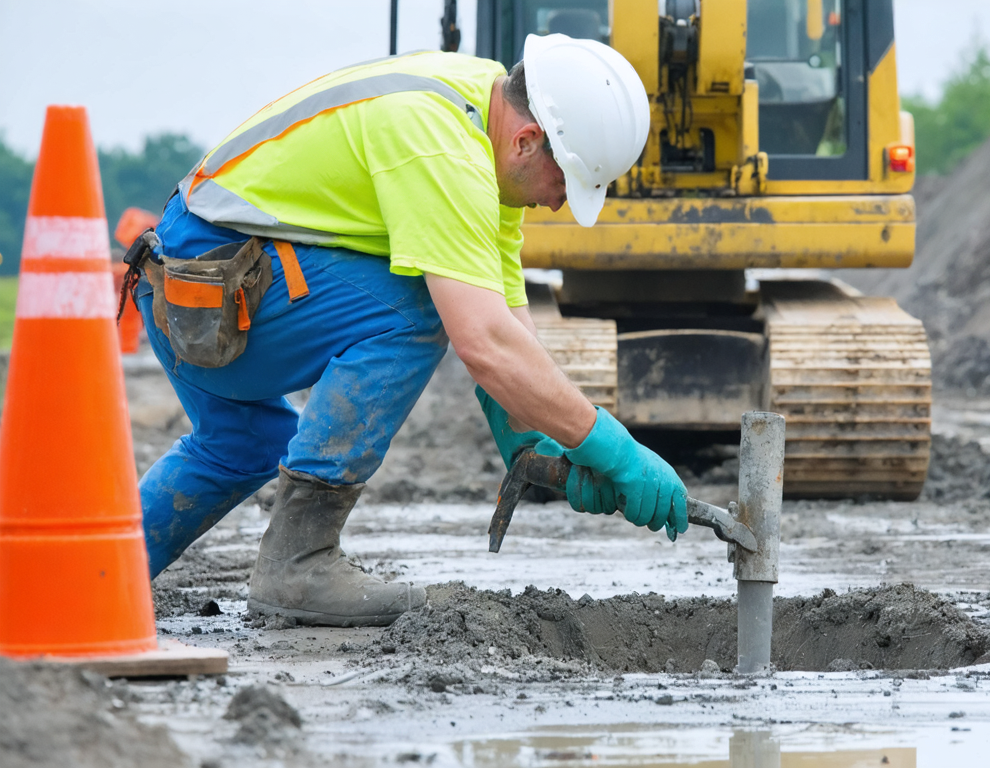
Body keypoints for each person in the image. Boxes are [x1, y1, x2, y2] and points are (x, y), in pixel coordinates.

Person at [131, 34, 687, 628]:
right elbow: (482, 341)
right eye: (565, 183)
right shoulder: (441, 147)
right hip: (207, 284)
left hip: (194, 278)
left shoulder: (483, 115)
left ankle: (98, 574)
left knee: (244, 445)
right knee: (417, 305)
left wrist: (531, 439)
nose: (559, 204)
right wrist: (614, 448)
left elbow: (505, 318)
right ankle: (300, 562)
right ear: (528, 142)